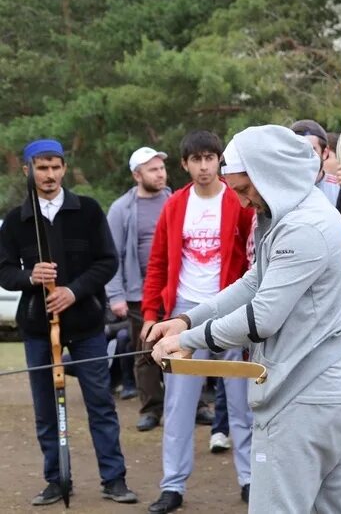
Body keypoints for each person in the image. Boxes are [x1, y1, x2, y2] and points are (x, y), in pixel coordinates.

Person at [148, 125, 341, 513]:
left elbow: (262, 317)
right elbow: (252, 284)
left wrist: (192, 340)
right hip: (315, 388)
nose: (245, 203)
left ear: (271, 174)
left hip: (303, 394)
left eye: (247, 189)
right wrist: (185, 320)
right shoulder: (288, 215)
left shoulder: (303, 227)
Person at [0, 139, 138, 506]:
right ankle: (55, 479)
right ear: (27, 170)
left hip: (87, 323)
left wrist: (74, 291)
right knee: (45, 408)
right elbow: (4, 270)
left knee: (100, 404)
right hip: (37, 328)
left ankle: (114, 479)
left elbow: (107, 261)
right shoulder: (16, 220)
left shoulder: (89, 210)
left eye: (55, 167)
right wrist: (29, 278)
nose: (49, 175)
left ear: (63, 168)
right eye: (41, 168)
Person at [140, 130, 254, 513]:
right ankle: (172, 485)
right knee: (178, 404)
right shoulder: (175, 205)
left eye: (210, 158)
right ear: (184, 164)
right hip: (183, 315)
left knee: (241, 402)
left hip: (229, 310)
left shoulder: (239, 201)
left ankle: (250, 479)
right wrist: (153, 315)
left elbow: (253, 261)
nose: (204, 167)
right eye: (196, 159)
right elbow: (157, 263)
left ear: (220, 160)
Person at [105, 146, 174, 429]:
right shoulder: (122, 208)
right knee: (144, 350)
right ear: (137, 175)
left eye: (161, 168)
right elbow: (112, 255)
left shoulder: (175, 200)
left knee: (182, 349)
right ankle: (151, 408)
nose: (160, 174)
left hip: (174, 292)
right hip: (137, 294)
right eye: (152, 170)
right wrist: (116, 295)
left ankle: (195, 405)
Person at [290, 118, 341, 205]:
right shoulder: (276, 189)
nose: (304, 158)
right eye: (297, 150)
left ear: (325, 153)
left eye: (311, 151)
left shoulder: (340, 189)